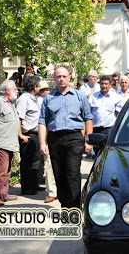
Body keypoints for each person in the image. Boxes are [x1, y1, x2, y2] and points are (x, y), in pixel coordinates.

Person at [39, 67, 93, 208]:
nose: (61, 79)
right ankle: (65, 206)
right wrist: (42, 143)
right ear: (54, 79)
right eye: (58, 76)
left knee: (72, 173)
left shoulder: (79, 96)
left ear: (69, 78)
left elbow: (88, 118)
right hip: (55, 139)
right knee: (59, 174)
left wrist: (88, 140)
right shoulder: (49, 98)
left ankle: (75, 208)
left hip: (74, 138)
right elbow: (42, 121)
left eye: (64, 76)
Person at [0, 80, 20, 206]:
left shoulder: (10, 103)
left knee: (7, 171)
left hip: (10, 143)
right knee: (0, 172)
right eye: (14, 89)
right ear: (7, 91)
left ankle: (3, 194)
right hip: (0, 143)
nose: (17, 90)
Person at [16, 76, 44, 195]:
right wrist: (20, 134)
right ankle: (26, 187)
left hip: (36, 134)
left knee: (35, 161)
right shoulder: (24, 99)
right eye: (39, 85)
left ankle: (33, 184)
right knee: (27, 161)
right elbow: (19, 118)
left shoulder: (35, 99)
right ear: (34, 87)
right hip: (28, 134)